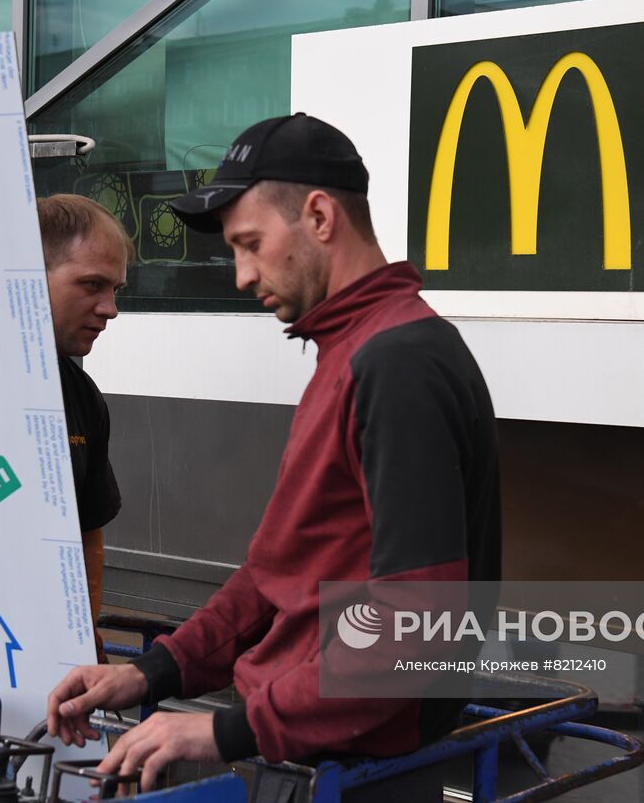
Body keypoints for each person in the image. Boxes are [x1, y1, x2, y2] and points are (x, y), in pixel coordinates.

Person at [45, 115, 501, 794]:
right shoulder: (352, 351)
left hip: (345, 772)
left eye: (250, 244)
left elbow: (416, 624)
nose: (240, 274)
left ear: (318, 215)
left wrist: (223, 730)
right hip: (310, 752)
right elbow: (273, 575)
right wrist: (153, 671)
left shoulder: (397, 363)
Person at [39, 193, 131, 651]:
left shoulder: (81, 396)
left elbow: (87, 534)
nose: (110, 309)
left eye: (116, 290)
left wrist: (83, 642)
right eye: (92, 285)